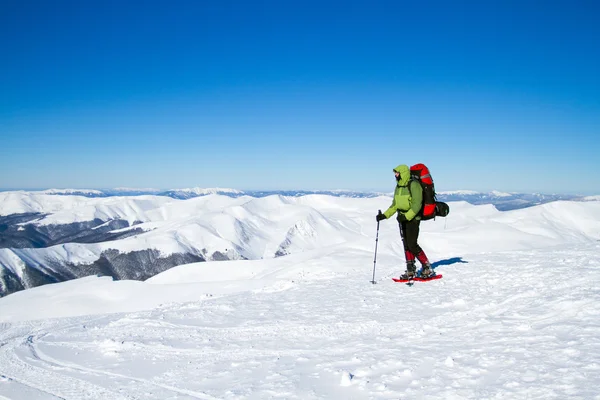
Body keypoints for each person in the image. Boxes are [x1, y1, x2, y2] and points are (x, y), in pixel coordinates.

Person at [376, 164, 433, 279]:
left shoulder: (414, 185)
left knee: (412, 244)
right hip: (402, 218)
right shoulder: (398, 186)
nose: (395, 175)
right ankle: (410, 269)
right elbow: (395, 205)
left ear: (403, 173)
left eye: (397, 173)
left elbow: (417, 204)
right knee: (406, 244)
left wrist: (406, 216)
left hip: (413, 218)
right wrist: (384, 215)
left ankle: (427, 267)